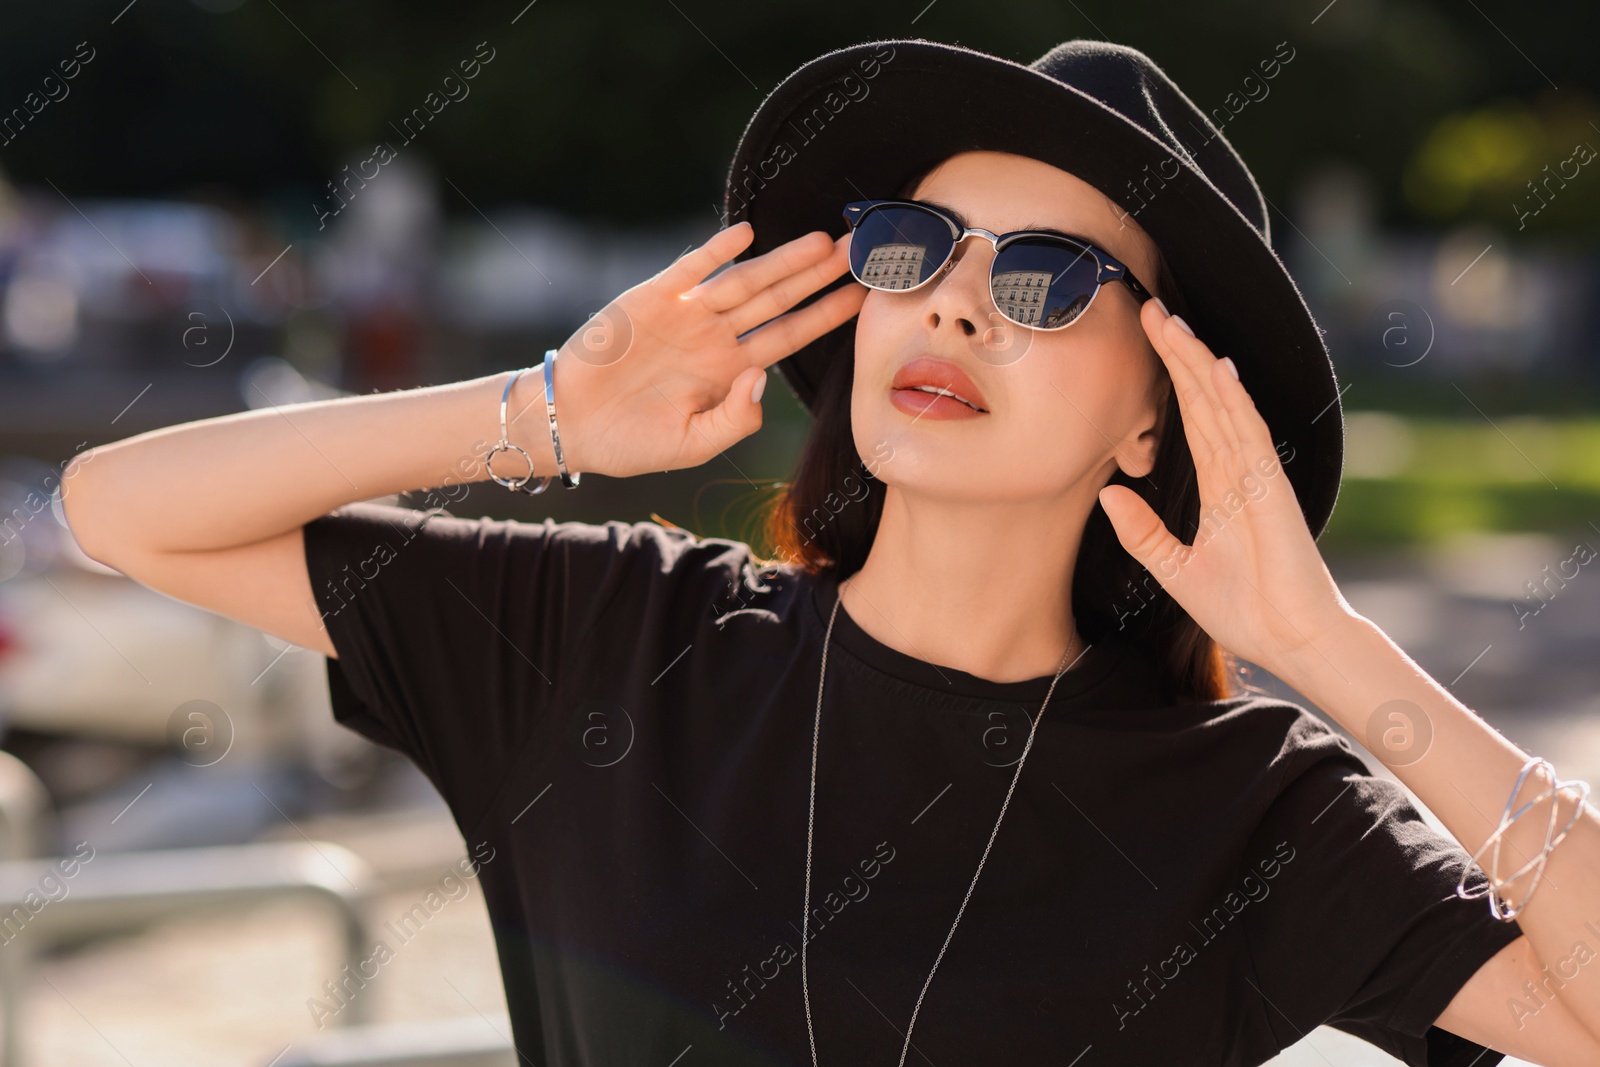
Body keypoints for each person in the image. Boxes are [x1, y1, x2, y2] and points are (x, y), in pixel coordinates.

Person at [58, 36, 1600, 1067]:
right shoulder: (617, 638)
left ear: (1157, 412)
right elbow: (120, 512)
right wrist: (542, 414)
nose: (952, 303)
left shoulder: (1251, 807)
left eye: (1052, 276)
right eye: (914, 250)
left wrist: (1331, 650)